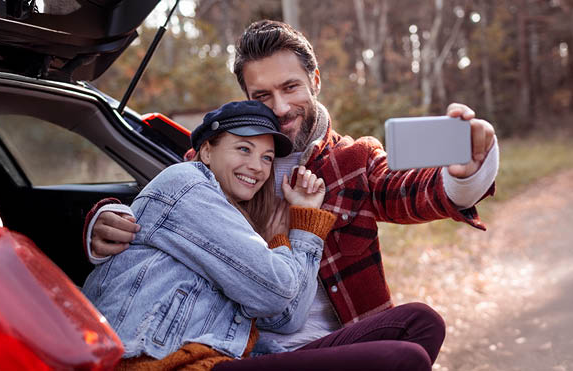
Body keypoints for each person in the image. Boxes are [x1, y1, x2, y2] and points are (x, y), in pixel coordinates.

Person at [84, 20, 498, 367]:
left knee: (423, 322)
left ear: (315, 81)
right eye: (262, 95)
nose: (280, 107)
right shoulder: (224, 160)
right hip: (243, 342)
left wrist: (464, 173)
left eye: (291, 87)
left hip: (331, 338)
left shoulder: (351, 161)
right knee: (402, 360)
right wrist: (105, 217)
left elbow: (413, 192)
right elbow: (164, 205)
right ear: (247, 97)